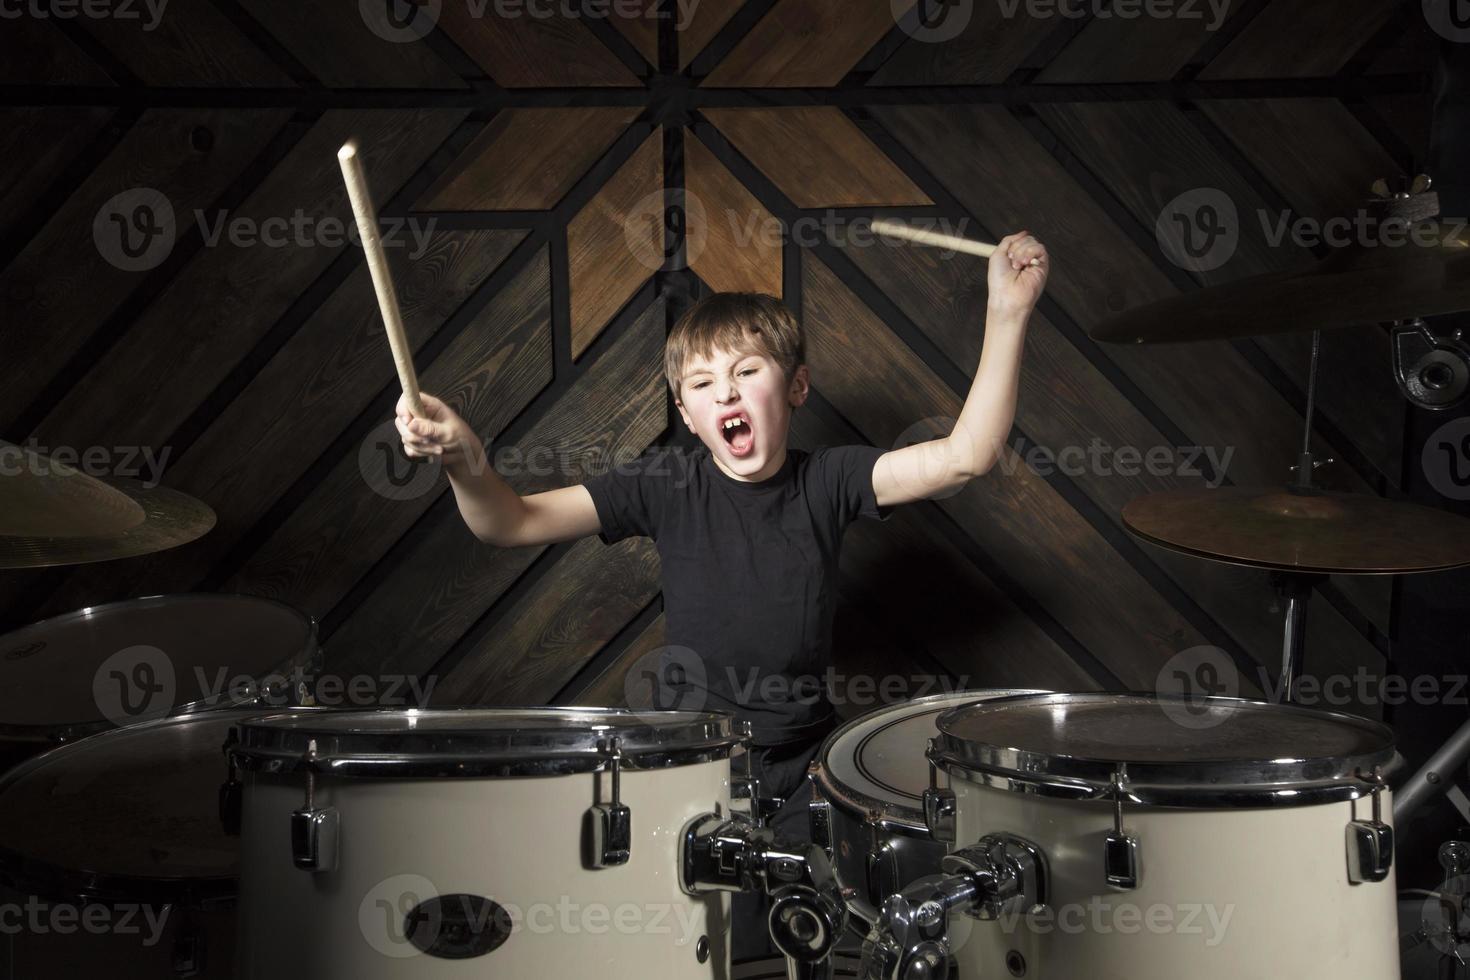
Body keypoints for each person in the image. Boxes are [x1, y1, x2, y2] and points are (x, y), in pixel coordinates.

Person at [395, 231, 1049, 960]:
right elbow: (507, 521)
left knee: (815, 951)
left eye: (746, 371)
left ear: (796, 386)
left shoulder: (828, 480)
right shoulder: (665, 486)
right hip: (695, 772)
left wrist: (1007, 312)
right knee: (695, 954)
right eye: (703, 384)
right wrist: (462, 458)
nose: (726, 392)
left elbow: (965, 455)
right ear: (685, 408)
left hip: (809, 771)